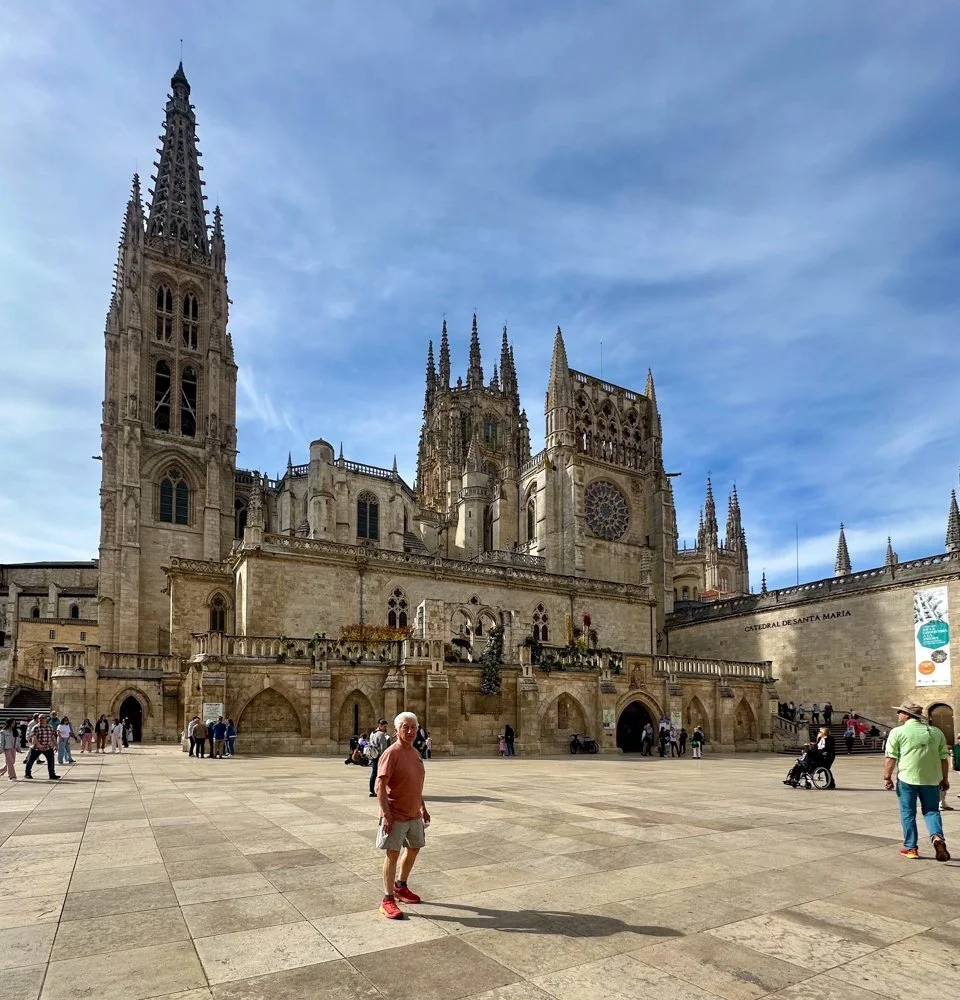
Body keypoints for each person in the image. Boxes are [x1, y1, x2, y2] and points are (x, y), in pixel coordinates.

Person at [375, 712, 430, 919]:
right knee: (392, 854)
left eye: (413, 727)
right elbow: (380, 786)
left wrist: (423, 807)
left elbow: (415, 784)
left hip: (413, 813)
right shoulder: (391, 753)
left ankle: (401, 886)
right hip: (395, 814)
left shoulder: (415, 752)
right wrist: (386, 815)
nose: (410, 731)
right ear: (396, 730)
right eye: (405, 727)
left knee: (414, 848)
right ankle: (387, 899)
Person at [884, 700, 950, 861]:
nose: (897, 714)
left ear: (907, 715)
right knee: (932, 811)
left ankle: (911, 848)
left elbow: (891, 757)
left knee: (908, 813)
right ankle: (936, 837)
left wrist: (887, 777)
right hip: (932, 779)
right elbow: (943, 758)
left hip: (907, 779)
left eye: (899, 711)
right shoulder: (936, 732)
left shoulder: (897, 732)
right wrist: (945, 779)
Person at [24, 715, 60, 780]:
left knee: (51, 761)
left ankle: (52, 775)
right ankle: (27, 774)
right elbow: (34, 738)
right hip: (36, 748)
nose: (41, 719)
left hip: (48, 747)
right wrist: (38, 745)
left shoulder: (50, 727)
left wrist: (56, 745)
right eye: (39, 718)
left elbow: (52, 736)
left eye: (43, 718)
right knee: (30, 761)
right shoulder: (35, 728)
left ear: (46, 719)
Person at [366, 719, 391, 797]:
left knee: (374, 773)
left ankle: (371, 790)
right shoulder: (381, 734)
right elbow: (384, 747)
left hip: (373, 755)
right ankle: (382, 790)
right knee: (383, 774)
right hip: (380, 756)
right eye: (384, 726)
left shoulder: (372, 733)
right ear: (380, 726)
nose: (385, 728)